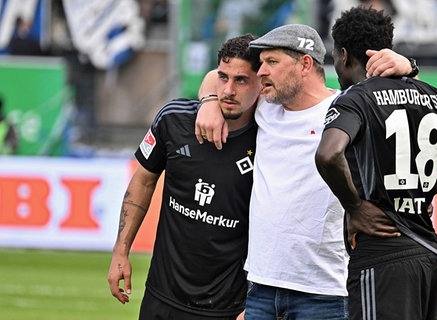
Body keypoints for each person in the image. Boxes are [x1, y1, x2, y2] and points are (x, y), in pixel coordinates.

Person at [196, 24, 415, 319]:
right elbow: (216, 76)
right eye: (261, 64)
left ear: (305, 64)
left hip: (325, 292)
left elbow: (411, 105)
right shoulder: (265, 105)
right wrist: (209, 103)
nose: (261, 72)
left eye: (271, 62)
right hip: (261, 286)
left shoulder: (347, 108)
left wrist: (410, 69)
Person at [315, 7, 437, 320]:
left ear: (343, 55)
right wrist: (433, 186)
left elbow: (328, 154)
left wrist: (354, 206)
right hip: (428, 254)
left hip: (381, 254)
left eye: (336, 59)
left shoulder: (354, 99)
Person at [107, 34, 261, 320]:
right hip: (161, 298)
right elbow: (143, 180)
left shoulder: (270, 140)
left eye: (241, 80)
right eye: (223, 77)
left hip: (227, 307)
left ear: (262, 85)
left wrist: (254, 304)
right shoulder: (174, 119)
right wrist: (121, 251)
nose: (228, 89)